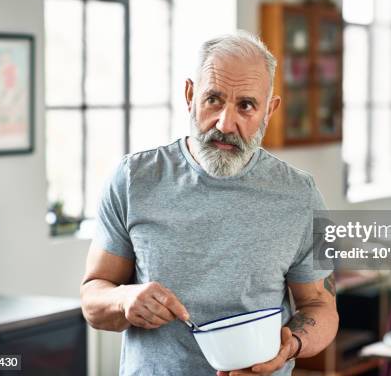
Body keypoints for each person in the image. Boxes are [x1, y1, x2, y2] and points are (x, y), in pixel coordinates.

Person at [80, 31, 339, 376]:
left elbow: (320, 305)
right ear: (190, 95)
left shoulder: (299, 195)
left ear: (270, 110)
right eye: (213, 100)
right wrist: (124, 300)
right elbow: (93, 298)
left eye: (246, 105)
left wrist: (289, 346)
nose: (224, 123)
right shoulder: (133, 180)